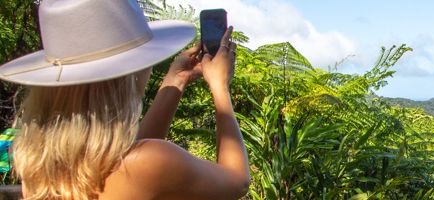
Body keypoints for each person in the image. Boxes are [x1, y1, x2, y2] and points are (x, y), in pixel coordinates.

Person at [0, 0, 250, 199]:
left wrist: (178, 79)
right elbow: (236, 182)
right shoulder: (149, 163)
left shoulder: (40, 168)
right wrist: (219, 87)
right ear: (127, 77)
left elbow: (132, 157)